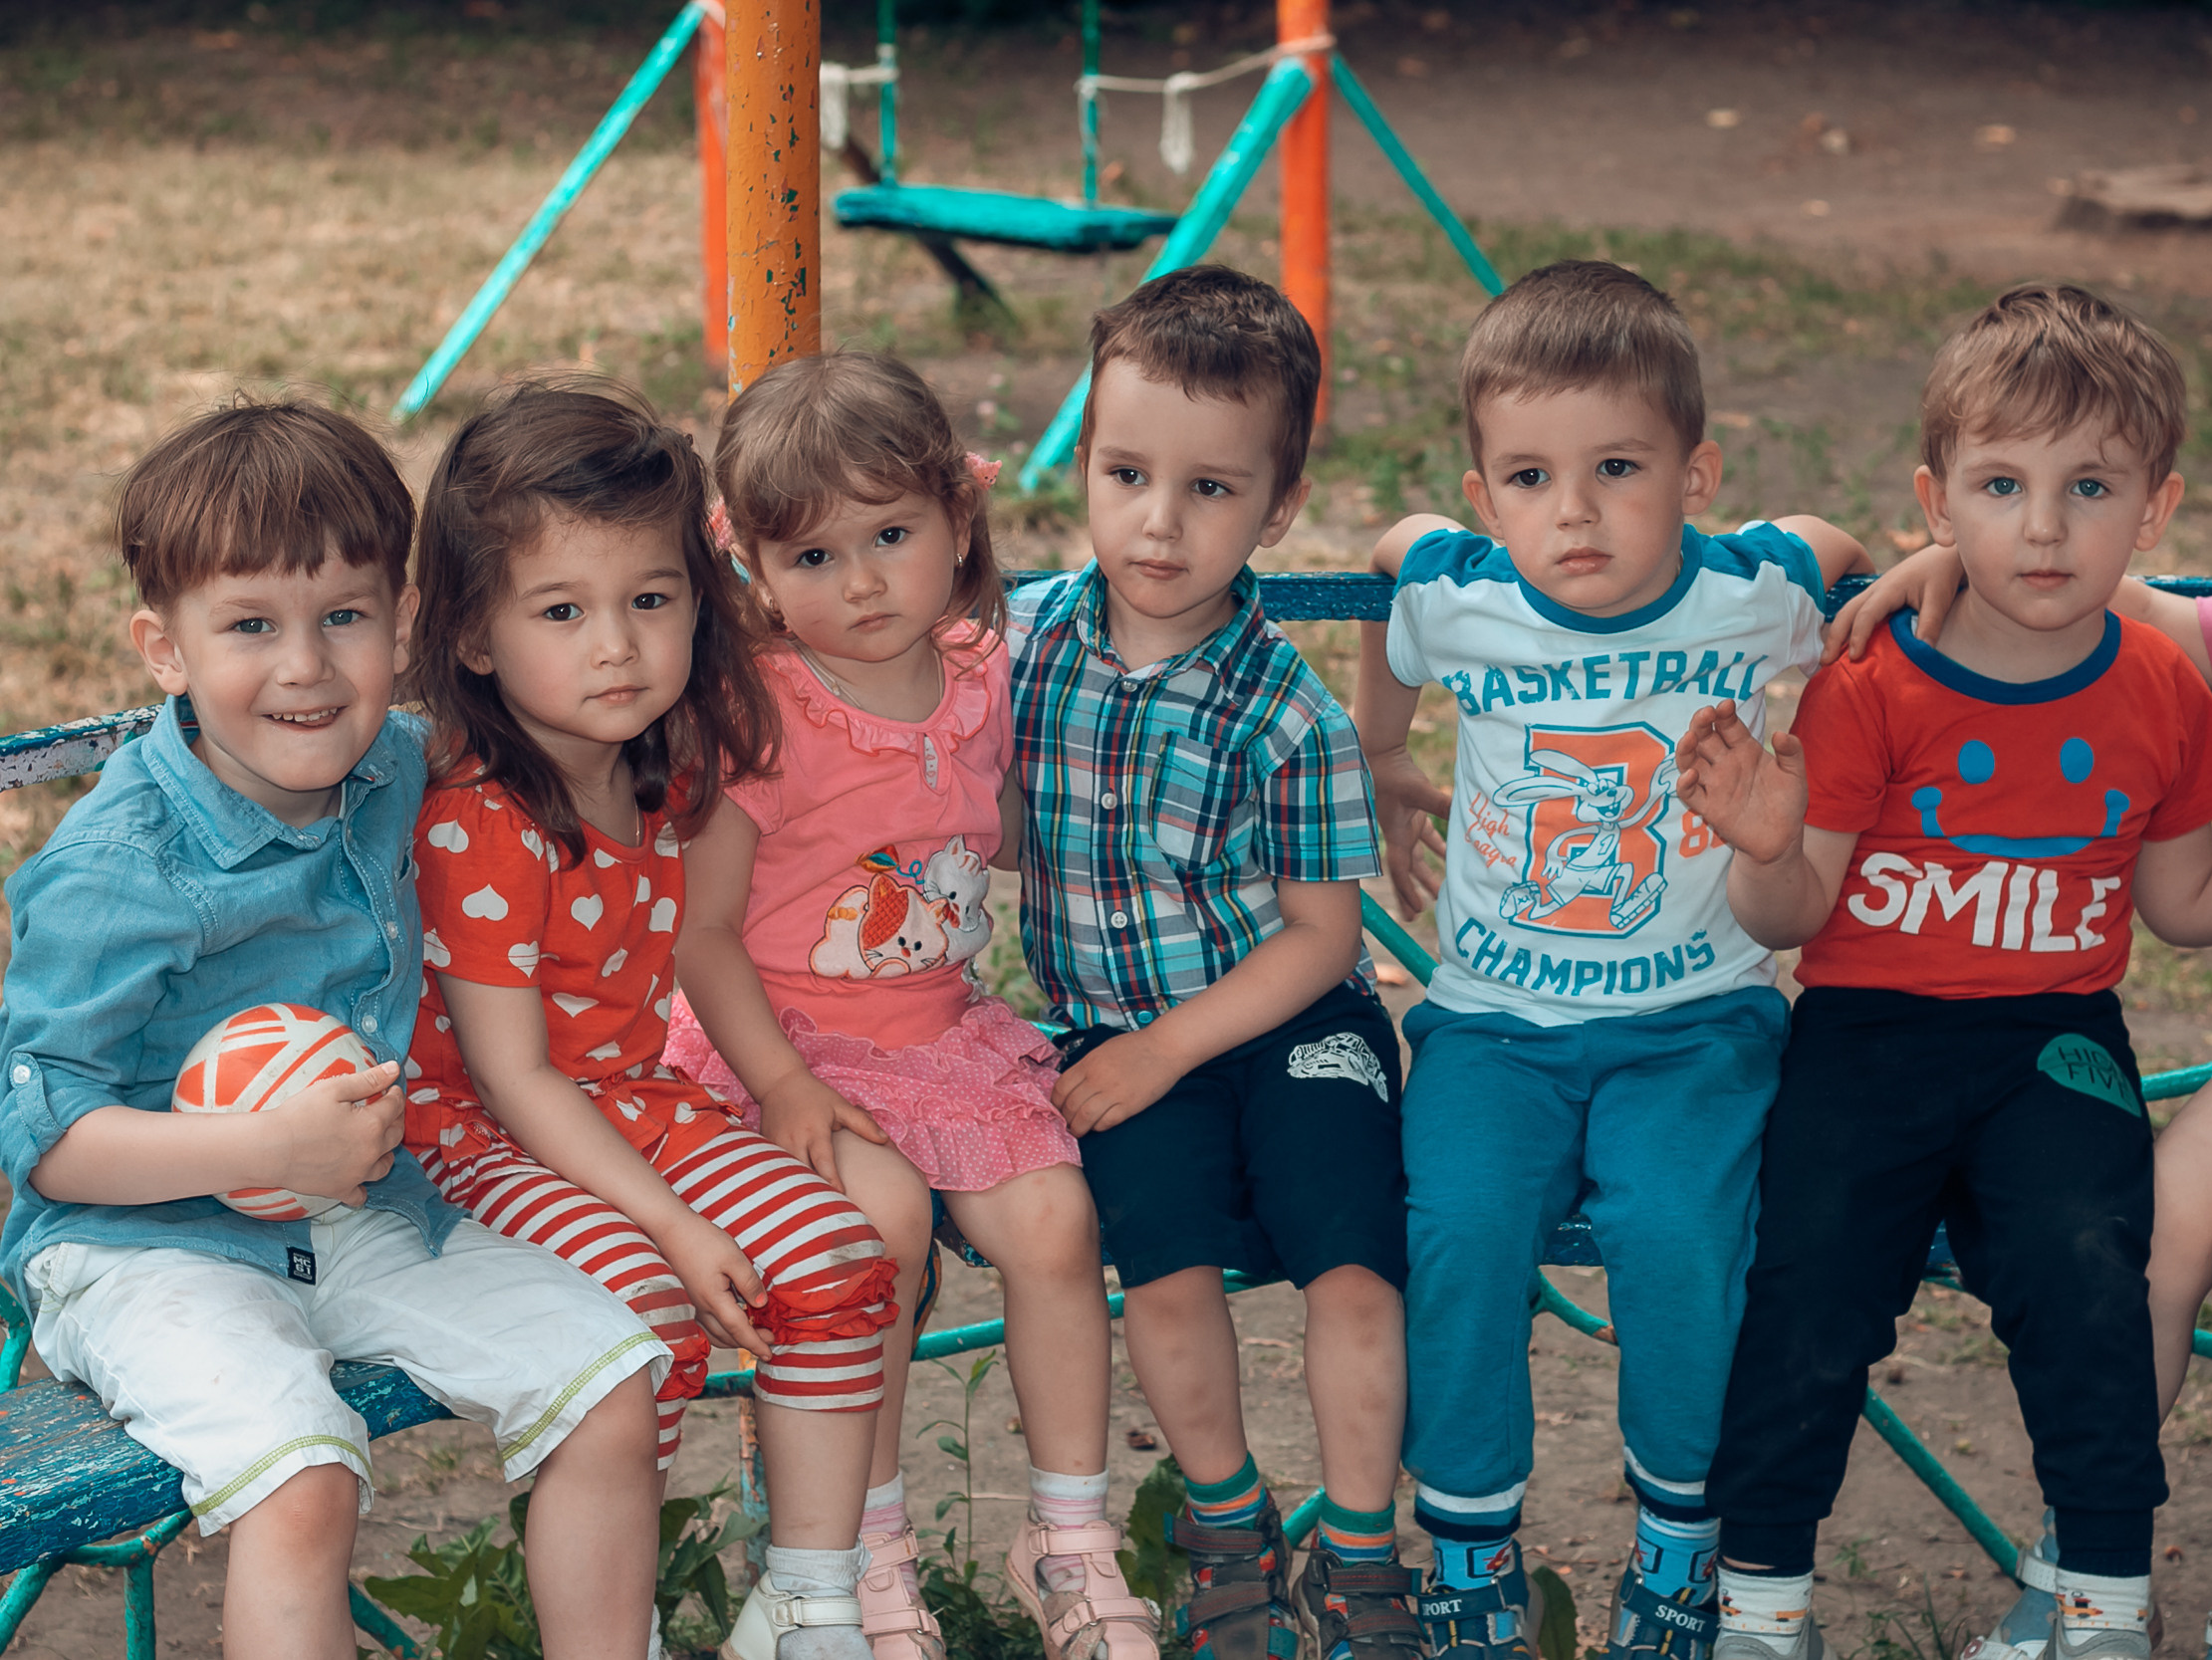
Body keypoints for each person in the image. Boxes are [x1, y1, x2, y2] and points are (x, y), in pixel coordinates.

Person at [1689, 285, 2212, 1660]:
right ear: (1938, 501)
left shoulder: (2157, 686)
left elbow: (2189, 894)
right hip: (1864, 1034)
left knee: (2094, 1269)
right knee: (1808, 1288)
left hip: (2052, 1040)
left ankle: (2101, 1598)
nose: (2043, 525)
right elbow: (1793, 909)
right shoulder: (1874, 679)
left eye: (2088, 486)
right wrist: (1760, 842)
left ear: (2153, 509)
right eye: (2002, 484)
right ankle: (1759, 1602)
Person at [0, 399, 671, 1660]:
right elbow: (49, 1144)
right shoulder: (119, 869)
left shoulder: (398, 769)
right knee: (308, 1474)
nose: (305, 665)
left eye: (344, 618)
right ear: (165, 646)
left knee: (608, 1379)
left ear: (403, 626)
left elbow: (569, 717)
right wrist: (270, 1149)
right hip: (135, 1245)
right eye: (250, 625)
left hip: (359, 1207)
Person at [1352, 258, 1871, 1660]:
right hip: (1492, 1029)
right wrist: (1389, 748)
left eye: (1617, 467)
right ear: (1486, 493)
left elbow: (1826, 541)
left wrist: (1910, 562)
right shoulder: (1468, 594)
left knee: (1681, 1235)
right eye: (1525, 476)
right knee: (1457, 1233)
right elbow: (1402, 570)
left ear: (1695, 476)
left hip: (1698, 1022)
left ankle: (1679, 1548)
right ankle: (1469, 1555)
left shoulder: (1743, 593)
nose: (1569, 512)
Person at [398, 381, 901, 1660]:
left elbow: (694, 944)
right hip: (477, 1140)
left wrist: (774, 1085)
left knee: (841, 1261)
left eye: (650, 598)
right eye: (561, 611)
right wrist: (675, 1222)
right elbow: (512, 1078)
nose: (615, 644)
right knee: (636, 1311)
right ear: (471, 635)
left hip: (629, 1103)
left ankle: (809, 1597)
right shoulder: (481, 818)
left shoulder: (663, 766)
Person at [666, 350, 1152, 1660]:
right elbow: (702, 934)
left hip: (938, 1031)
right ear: (753, 566)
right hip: (779, 1040)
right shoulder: (758, 712)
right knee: (876, 1233)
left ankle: (1069, 1534)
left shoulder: (983, 667)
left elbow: (982, 827)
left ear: (960, 516)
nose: (864, 580)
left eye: (891, 535)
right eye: (813, 555)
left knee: (1055, 1218)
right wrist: (779, 1083)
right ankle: (862, 1551)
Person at [1009, 265, 1415, 1660]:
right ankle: (1229, 1526)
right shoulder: (1024, 645)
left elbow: (1324, 935)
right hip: (1112, 1028)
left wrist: (1168, 1047)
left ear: (1279, 507)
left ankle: (1362, 1551)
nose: (1159, 523)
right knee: (1163, 1270)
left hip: (1287, 1015)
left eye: (1212, 489)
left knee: (1356, 1261)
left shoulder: (1283, 709)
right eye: (1125, 472)